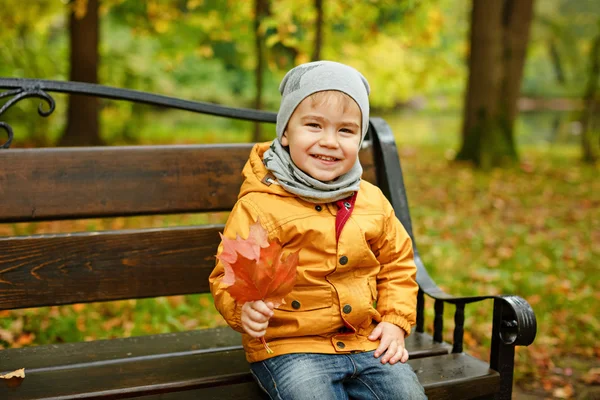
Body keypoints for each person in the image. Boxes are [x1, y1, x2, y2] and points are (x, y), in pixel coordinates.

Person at [209, 60, 426, 400]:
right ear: (285, 131)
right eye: (313, 125)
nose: (329, 142)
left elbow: (397, 264)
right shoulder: (261, 205)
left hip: (365, 340)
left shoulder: (371, 201)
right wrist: (246, 308)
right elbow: (230, 275)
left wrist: (395, 321)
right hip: (290, 346)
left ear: (359, 138)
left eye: (345, 130)